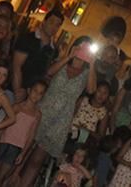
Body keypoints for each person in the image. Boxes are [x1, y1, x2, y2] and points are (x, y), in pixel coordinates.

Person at [15, 39, 95, 187]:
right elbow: (49, 72)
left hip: (61, 120)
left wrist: (92, 63)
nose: (83, 51)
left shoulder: (86, 73)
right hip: (43, 111)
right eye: (82, 47)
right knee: (22, 150)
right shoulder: (63, 62)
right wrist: (70, 56)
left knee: (37, 160)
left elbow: (91, 90)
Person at [0, 80, 45, 187]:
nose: (36, 95)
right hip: (3, 142)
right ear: (29, 91)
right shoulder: (17, 107)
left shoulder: (37, 115)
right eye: (35, 91)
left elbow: (31, 135)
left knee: (0, 177)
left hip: (17, 147)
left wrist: (23, 153)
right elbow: (3, 125)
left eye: (40, 93)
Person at [12, 9, 64, 102]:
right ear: (44, 21)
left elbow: (47, 73)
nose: (53, 27)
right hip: (14, 89)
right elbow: (17, 66)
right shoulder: (28, 38)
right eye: (51, 22)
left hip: (33, 96)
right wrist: (17, 90)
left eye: (57, 25)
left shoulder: (54, 50)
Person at [70, 78, 112, 145]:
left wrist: (86, 131)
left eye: (105, 93)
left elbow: (100, 136)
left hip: (84, 140)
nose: (101, 95)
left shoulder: (104, 113)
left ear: (108, 96)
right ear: (95, 90)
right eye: (99, 91)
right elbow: (69, 116)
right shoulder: (83, 100)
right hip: (69, 132)